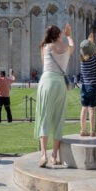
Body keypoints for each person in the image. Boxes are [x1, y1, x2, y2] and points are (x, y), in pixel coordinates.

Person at [34, 23, 74, 168]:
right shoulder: (66, 48)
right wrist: (69, 35)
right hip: (60, 84)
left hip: (47, 81)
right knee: (58, 119)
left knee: (44, 116)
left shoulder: (45, 47)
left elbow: (44, 63)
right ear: (59, 34)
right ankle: (54, 156)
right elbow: (72, 45)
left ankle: (43, 154)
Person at [79, 32, 96, 137]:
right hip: (93, 86)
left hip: (84, 87)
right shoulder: (94, 59)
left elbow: (87, 49)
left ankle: (83, 130)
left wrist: (89, 40)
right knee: (92, 109)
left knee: (84, 108)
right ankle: (92, 131)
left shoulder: (82, 60)